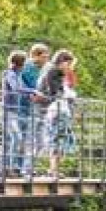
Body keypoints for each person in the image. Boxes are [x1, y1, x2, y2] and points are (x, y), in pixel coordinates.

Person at [39, 50, 78, 179]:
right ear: (63, 62)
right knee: (58, 139)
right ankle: (53, 170)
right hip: (57, 110)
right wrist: (69, 95)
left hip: (59, 110)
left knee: (61, 140)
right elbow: (54, 92)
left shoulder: (56, 73)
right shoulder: (53, 72)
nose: (70, 67)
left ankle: (53, 169)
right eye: (69, 64)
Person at [0, 50, 31, 179]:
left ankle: (1, 168)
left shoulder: (18, 74)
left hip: (13, 111)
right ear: (20, 63)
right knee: (16, 137)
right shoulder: (9, 74)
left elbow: (22, 88)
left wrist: (32, 92)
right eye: (25, 62)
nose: (26, 65)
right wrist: (33, 91)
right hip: (6, 111)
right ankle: (8, 168)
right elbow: (16, 88)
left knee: (9, 140)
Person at [20, 43, 51, 177]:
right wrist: (34, 94)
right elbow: (24, 85)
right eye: (43, 57)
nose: (46, 59)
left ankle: (29, 167)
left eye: (47, 57)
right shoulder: (26, 68)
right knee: (26, 139)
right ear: (35, 55)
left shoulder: (46, 68)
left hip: (40, 108)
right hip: (24, 108)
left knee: (40, 141)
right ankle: (24, 168)